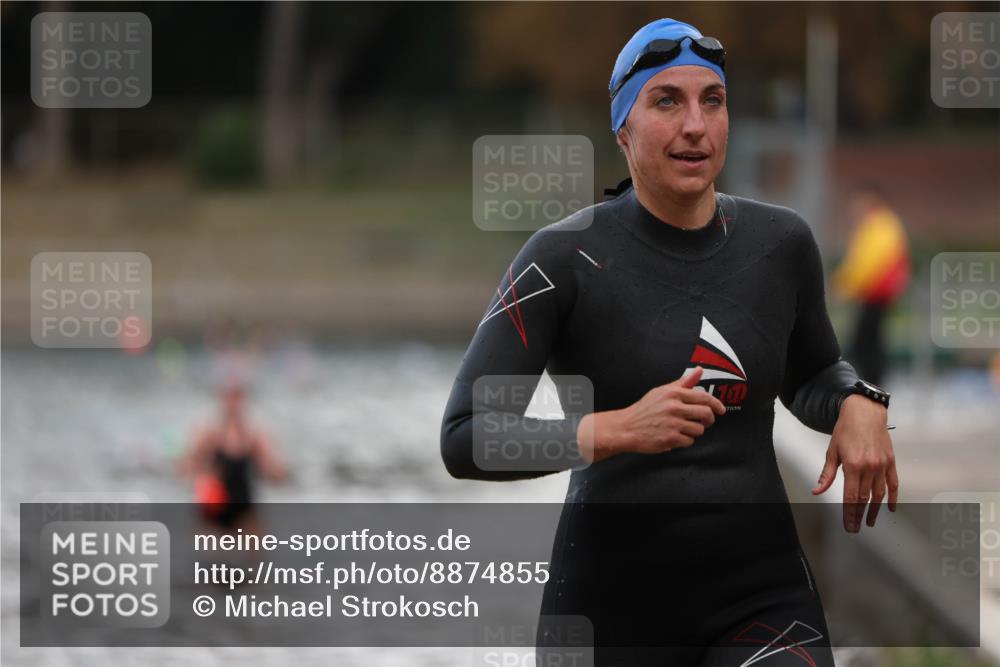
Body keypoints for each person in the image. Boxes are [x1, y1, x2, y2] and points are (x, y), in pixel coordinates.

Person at [441, 18, 900, 667]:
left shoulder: (780, 245)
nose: (695, 125)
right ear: (623, 128)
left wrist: (858, 398)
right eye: (667, 101)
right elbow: (466, 434)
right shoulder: (563, 259)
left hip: (761, 601)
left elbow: (812, 371)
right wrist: (619, 428)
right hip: (611, 614)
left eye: (711, 100)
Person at [832, 182, 912, 386]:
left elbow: (867, 263)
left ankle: (870, 385)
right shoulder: (882, 225)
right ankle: (870, 384)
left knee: (865, 344)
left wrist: (845, 286)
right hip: (874, 294)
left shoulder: (878, 225)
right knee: (868, 342)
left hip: (875, 295)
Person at [180, 384, 287, 532]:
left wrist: (276, 472)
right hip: (215, 504)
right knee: (205, 543)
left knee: (257, 540)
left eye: (237, 398)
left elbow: (274, 472)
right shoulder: (209, 433)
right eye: (230, 398)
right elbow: (187, 467)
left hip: (244, 506)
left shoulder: (254, 435)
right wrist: (200, 474)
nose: (233, 404)